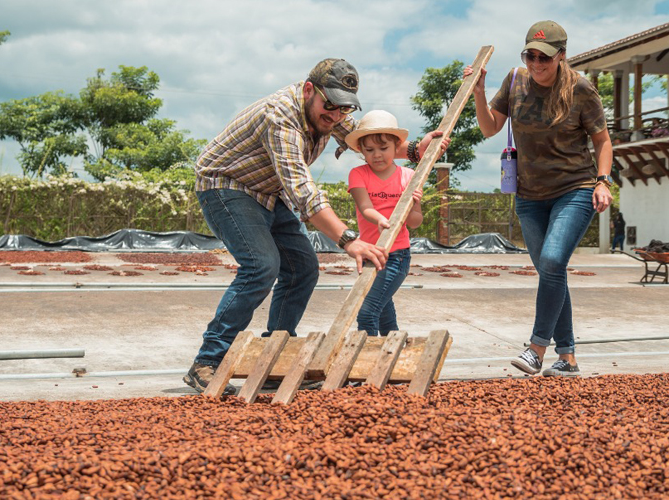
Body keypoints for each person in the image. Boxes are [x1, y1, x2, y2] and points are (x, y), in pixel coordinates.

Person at [185, 59, 448, 395]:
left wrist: (414, 150)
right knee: (261, 266)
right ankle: (207, 361)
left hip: (267, 192)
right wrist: (348, 240)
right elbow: (303, 193)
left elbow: (364, 138)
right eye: (330, 106)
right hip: (226, 186)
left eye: (343, 108)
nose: (335, 115)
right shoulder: (280, 117)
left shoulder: (331, 114)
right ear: (309, 90)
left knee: (303, 268)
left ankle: (273, 355)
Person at [468, 21, 614, 378]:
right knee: (552, 271)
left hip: (575, 189)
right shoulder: (516, 81)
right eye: (530, 55)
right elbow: (489, 128)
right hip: (529, 195)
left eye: (544, 57)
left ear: (561, 55)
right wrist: (478, 91)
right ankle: (568, 359)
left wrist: (603, 181)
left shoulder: (581, 89)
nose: (536, 63)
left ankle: (536, 349)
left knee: (550, 261)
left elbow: (603, 141)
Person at [345, 110, 423, 336]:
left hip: (397, 256)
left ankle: (366, 363)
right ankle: (393, 354)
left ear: (396, 147)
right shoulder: (358, 174)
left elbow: (415, 223)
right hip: (370, 254)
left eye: (383, 148)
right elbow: (365, 206)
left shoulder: (409, 176)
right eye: (369, 150)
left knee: (367, 313)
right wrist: (380, 219)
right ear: (361, 150)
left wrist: (413, 206)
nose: (377, 155)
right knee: (384, 312)